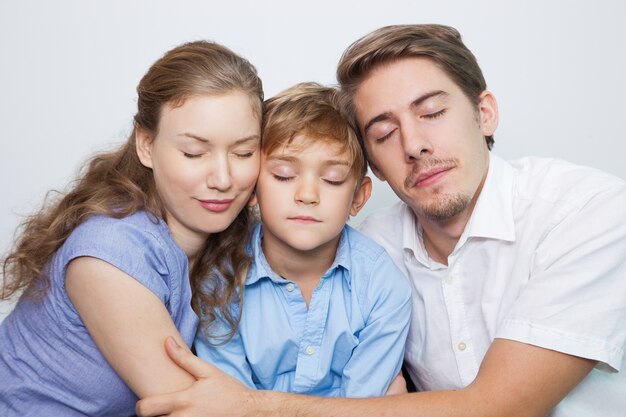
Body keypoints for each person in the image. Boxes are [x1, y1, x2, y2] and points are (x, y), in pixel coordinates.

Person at [135, 24, 626, 417]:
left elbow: (501, 406)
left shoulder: (588, 212)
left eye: (432, 112)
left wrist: (247, 407)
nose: (413, 145)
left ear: (485, 113)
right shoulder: (370, 241)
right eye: (385, 131)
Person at [0, 40, 264, 416]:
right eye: (194, 152)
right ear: (145, 144)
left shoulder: (225, 248)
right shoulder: (110, 253)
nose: (223, 178)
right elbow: (195, 409)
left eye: (243, 153)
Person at [194, 82, 411, 397]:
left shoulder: (383, 286)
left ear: (358, 197)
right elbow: (230, 405)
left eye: (332, 179)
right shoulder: (219, 282)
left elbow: (363, 408)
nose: (307, 195)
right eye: (283, 175)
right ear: (253, 186)